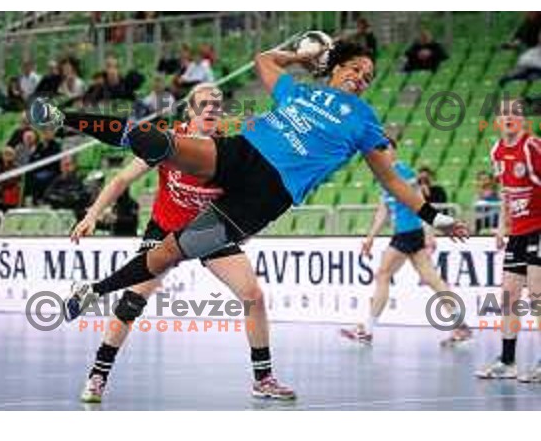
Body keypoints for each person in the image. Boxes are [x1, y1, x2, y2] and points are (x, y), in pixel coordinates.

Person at [30, 39, 468, 327]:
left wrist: (435, 216)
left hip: (266, 196)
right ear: (335, 68)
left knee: (166, 254)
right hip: (243, 154)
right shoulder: (299, 92)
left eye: (368, 76)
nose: (361, 77)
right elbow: (263, 59)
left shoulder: (364, 120)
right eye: (355, 67)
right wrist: (300, 57)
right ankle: (62, 118)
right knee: (156, 141)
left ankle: (91, 291)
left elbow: (391, 178)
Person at [69, 83, 294, 403]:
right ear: (189, 111)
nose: (210, 110)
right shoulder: (172, 141)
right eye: (203, 104)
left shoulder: (232, 148)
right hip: (164, 229)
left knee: (253, 296)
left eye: (216, 105)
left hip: (207, 231)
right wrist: (92, 214)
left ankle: (264, 379)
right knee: (133, 301)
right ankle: (97, 376)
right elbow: (121, 179)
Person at [340, 139, 472, 345]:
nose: (382, 152)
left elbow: (421, 202)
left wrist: (430, 233)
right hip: (408, 234)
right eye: (379, 148)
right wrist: (370, 238)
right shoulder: (383, 175)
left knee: (383, 274)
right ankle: (460, 325)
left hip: (408, 232)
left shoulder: (404, 172)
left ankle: (367, 330)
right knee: (432, 279)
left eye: (386, 148)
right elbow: (384, 209)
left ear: (394, 151)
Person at [476, 98, 541, 381]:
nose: (509, 117)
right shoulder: (497, 151)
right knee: (510, 296)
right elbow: (505, 192)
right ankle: (508, 360)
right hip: (518, 231)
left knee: (538, 296)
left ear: (524, 120)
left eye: (515, 113)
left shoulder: (532, 147)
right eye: (504, 113)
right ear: (498, 121)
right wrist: (503, 226)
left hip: (539, 227)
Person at [42, 155, 88, 220]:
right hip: (59, 217)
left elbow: (83, 197)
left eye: (68, 165)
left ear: (74, 166)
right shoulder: (57, 181)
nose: (65, 168)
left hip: (77, 216)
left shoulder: (80, 180)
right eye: (63, 165)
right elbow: (47, 196)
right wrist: (65, 198)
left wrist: (64, 198)